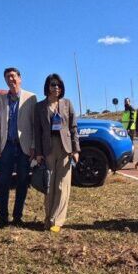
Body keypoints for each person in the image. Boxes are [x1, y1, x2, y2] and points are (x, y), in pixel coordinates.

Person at [34, 74, 80, 232]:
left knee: (63, 186)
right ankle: (48, 218)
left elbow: (73, 128)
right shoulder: (39, 107)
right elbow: (37, 131)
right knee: (49, 185)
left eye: (59, 85)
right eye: (53, 85)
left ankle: (57, 221)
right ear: (47, 87)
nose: (56, 88)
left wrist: (76, 149)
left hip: (65, 148)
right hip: (48, 149)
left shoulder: (67, 104)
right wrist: (38, 153)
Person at [0, 67, 37, 227]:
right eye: (7, 77)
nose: (10, 80)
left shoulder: (31, 98)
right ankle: (2, 218)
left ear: (20, 78)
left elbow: (34, 125)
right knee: (3, 182)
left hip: (23, 147)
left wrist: (33, 145)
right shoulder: (1, 100)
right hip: (6, 147)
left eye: (13, 76)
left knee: (22, 182)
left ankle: (17, 216)